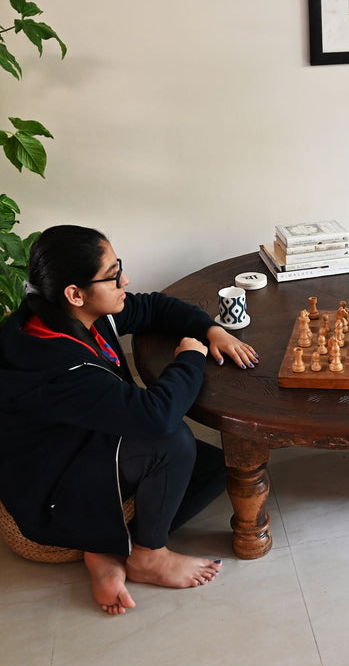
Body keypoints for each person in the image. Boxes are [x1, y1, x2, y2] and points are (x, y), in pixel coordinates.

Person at [0, 225, 260, 615]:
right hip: (47, 490)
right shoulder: (60, 362)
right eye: (112, 274)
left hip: (76, 444)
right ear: (75, 292)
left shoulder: (71, 313)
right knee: (171, 441)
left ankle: (104, 550)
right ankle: (148, 554)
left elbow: (155, 306)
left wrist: (210, 329)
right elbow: (155, 417)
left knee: (218, 468)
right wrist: (190, 356)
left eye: (118, 266)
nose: (125, 280)